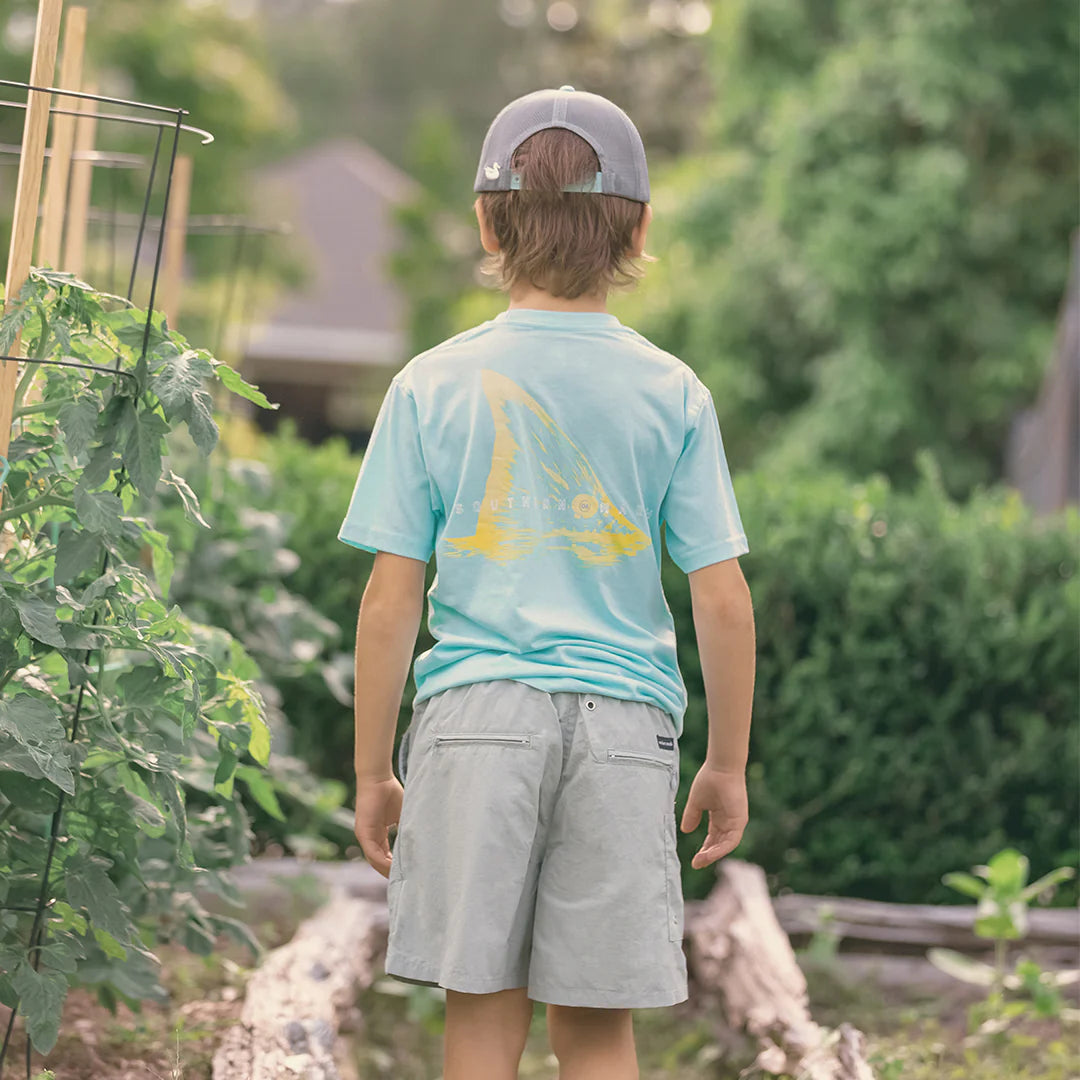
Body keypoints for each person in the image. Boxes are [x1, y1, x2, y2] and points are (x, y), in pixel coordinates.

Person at [339, 85, 756, 1080]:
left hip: (473, 722)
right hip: (623, 732)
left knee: (483, 1012)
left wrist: (371, 772)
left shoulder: (430, 384)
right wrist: (727, 763)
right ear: (641, 226)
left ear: (487, 218)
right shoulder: (673, 391)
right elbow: (724, 596)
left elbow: (390, 600)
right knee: (598, 1023)